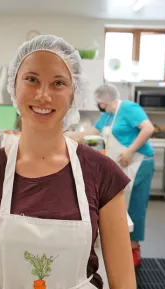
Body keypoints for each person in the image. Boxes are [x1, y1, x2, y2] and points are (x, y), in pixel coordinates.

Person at [0, 35, 136, 289]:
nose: (43, 95)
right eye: (32, 79)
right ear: (14, 85)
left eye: (59, 83)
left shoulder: (101, 173)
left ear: (74, 93)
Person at [66, 83, 155, 268]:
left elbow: (148, 129)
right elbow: (92, 132)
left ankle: (134, 248)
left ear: (105, 100)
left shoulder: (129, 108)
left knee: (135, 205)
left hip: (139, 161)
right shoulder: (107, 115)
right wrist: (65, 134)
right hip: (124, 164)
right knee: (124, 202)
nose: (99, 104)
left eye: (99, 101)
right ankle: (124, 246)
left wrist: (130, 151)